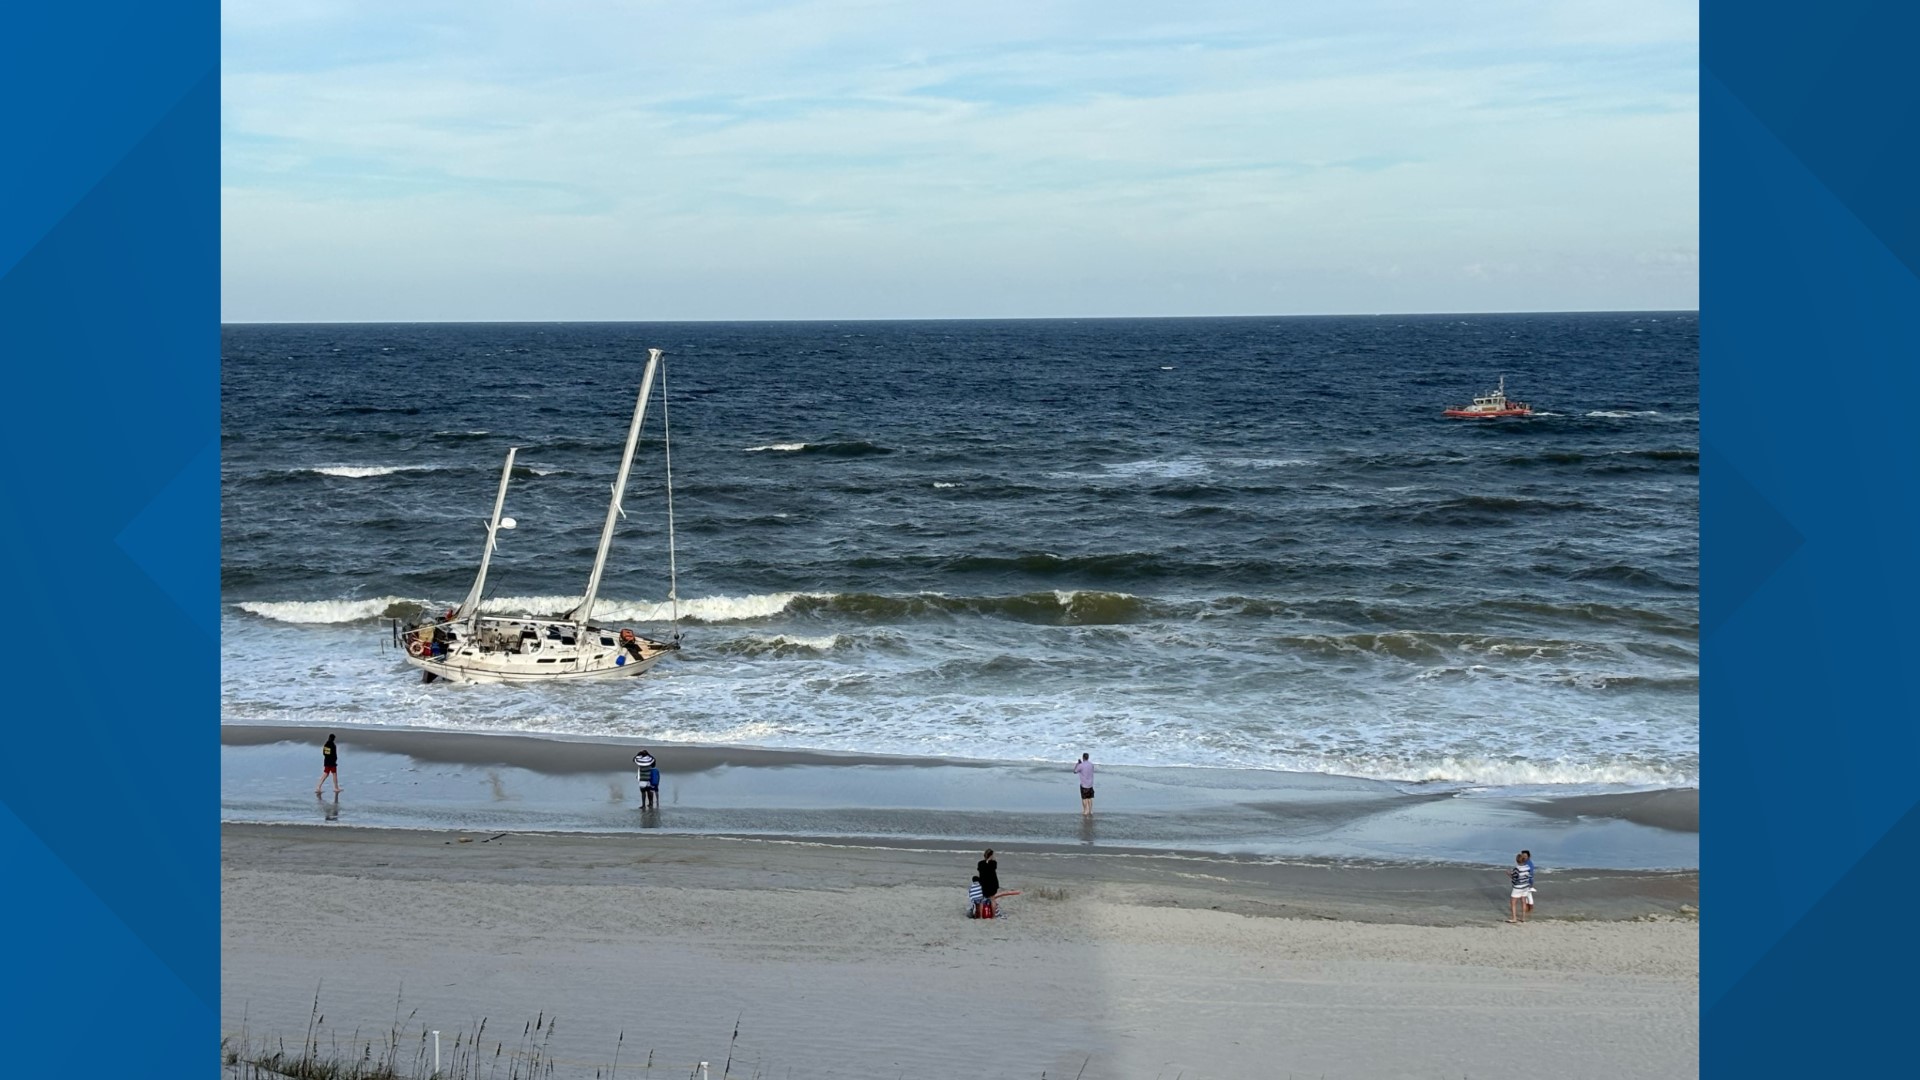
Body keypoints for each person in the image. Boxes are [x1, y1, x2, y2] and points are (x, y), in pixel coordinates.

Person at [1508, 852, 1534, 923]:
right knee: (1523, 902)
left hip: (1518, 887)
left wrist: (1508, 874)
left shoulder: (1517, 869)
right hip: (1525, 886)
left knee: (1513, 902)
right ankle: (1523, 918)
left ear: (1517, 860)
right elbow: (1529, 876)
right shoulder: (1527, 867)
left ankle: (1514, 918)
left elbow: (1514, 878)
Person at [1073, 752, 1095, 816]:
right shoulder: (1091, 764)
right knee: (1090, 798)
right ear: (1088, 757)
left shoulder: (1081, 765)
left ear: (1083, 758)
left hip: (1084, 784)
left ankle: (1085, 810)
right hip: (1090, 784)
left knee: (1084, 798)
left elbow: (1075, 771)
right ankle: (1090, 810)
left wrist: (1078, 764)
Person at [1521, 849, 1537, 916]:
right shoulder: (1526, 863)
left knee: (1528, 896)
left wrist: (1531, 884)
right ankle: (1528, 909)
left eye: (1525, 855)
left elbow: (1530, 875)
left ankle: (1530, 909)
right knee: (1527, 896)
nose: (1524, 857)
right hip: (1526, 882)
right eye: (1523, 856)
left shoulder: (1528, 864)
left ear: (1529, 856)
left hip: (1527, 882)